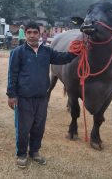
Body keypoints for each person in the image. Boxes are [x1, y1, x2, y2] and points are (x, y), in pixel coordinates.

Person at [6, 21, 77, 168]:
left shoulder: (47, 51)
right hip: (24, 98)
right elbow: (12, 75)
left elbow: (63, 58)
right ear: (25, 34)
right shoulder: (17, 52)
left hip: (42, 98)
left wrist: (76, 52)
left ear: (40, 34)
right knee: (23, 128)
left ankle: (34, 152)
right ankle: (21, 154)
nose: (32, 36)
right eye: (29, 32)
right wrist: (11, 95)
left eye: (35, 32)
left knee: (39, 126)